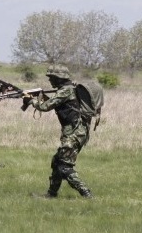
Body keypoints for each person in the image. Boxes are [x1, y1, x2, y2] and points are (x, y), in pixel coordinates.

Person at [23, 64, 94, 199]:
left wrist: (31, 101)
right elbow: (59, 104)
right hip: (77, 132)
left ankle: (86, 193)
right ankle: (51, 194)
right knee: (57, 161)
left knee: (64, 166)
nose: (50, 80)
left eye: (51, 77)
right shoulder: (69, 89)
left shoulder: (65, 91)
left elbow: (45, 107)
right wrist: (41, 96)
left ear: (59, 78)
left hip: (74, 133)